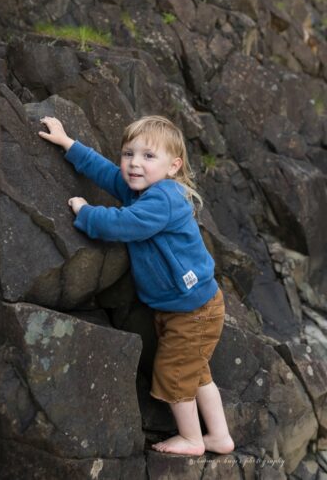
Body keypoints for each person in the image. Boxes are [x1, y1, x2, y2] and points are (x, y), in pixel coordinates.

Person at [37, 115, 234, 456]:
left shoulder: (164, 200)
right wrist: (68, 144)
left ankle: (192, 439)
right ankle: (219, 436)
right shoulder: (140, 188)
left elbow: (124, 225)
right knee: (197, 373)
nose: (134, 164)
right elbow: (106, 172)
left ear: (173, 166)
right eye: (129, 154)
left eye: (147, 156)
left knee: (173, 374)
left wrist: (86, 212)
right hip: (184, 307)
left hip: (193, 311)